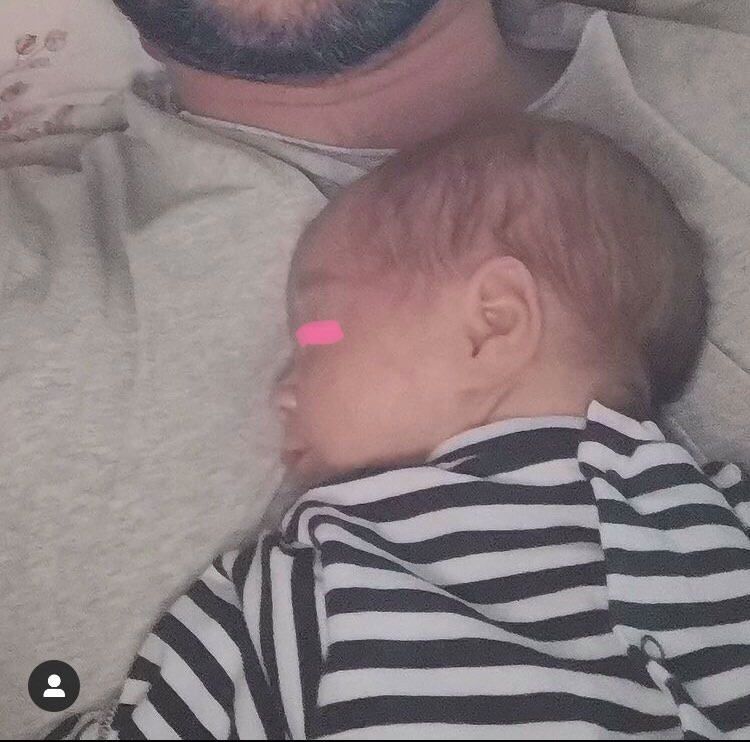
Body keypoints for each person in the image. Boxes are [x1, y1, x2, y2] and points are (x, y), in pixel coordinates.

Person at [1, 1, 748, 737]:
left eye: (314, 336)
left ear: (494, 322)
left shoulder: (320, 584)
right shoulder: (700, 522)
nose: (281, 392)